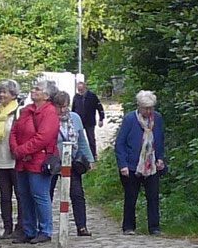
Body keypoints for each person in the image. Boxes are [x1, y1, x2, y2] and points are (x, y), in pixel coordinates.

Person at [11, 76, 62, 242]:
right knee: (24, 195)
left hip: (39, 160)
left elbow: (43, 138)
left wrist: (22, 149)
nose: (33, 91)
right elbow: (14, 130)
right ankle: (29, 230)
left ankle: (45, 230)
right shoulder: (26, 110)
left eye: (38, 89)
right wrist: (16, 149)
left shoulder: (50, 113)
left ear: (47, 95)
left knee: (40, 195)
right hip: (22, 160)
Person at [115, 89, 166, 234]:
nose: (148, 111)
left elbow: (160, 140)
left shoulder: (157, 118)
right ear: (138, 106)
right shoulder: (130, 119)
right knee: (131, 197)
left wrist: (160, 158)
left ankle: (154, 227)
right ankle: (129, 226)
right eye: (145, 108)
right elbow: (120, 143)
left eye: (151, 108)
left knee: (153, 197)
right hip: (132, 165)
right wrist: (122, 164)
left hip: (151, 164)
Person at [51, 87, 93, 230]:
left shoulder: (75, 118)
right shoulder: (49, 119)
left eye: (65, 106)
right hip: (53, 160)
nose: (62, 110)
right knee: (47, 194)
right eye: (59, 107)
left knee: (77, 194)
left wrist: (90, 159)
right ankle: (44, 227)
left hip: (72, 160)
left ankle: (81, 226)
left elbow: (81, 140)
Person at [0, 80, 22, 239]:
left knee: (20, 195)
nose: (1, 95)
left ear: (13, 95)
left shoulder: (18, 111)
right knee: (4, 196)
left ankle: (20, 226)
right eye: (0, 91)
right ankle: (7, 227)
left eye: (5, 92)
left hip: (15, 160)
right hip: (0, 159)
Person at [70, 75, 104, 235]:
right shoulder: (76, 98)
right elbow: (73, 108)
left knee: (90, 140)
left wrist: (101, 119)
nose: (80, 88)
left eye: (82, 85)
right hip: (56, 160)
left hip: (89, 122)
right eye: (78, 86)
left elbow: (99, 107)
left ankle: (81, 226)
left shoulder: (91, 96)